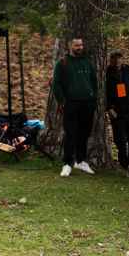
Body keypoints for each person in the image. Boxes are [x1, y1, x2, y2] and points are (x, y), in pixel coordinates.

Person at [52, 37, 99, 177]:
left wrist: (93, 98)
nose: (80, 47)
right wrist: (62, 101)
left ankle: (81, 160)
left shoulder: (87, 62)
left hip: (87, 103)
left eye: (81, 45)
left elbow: (94, 81)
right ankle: (67, 163)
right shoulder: (63, 63)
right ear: (70, 46)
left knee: (84, 133)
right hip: (71, 104)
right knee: (70, 134)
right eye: (76, 45)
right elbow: (56, 84)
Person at [104, 49, 129, 177]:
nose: (118, 61)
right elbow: (105, 92)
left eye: (119, 58)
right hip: (116, 110)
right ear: (111, 60)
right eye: (115, 59)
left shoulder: (126, 69)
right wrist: (109, 108)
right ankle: (123, 164)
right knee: (120, 140)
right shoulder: (107, 72)